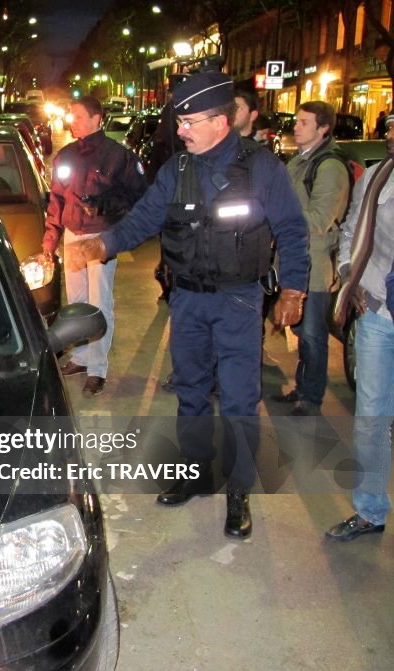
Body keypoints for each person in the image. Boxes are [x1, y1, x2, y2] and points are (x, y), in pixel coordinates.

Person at [67, 70, 309, 538]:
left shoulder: (261, 167)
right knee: (192, 392)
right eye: (180, 121)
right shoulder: (177, 170)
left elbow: (293, 232)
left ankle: (238, 492)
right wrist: (103, 245)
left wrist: (293, 290)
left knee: (239, 398)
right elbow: (144, 219)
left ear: (221, 121)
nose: (181, 130)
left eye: (190, 121)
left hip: (239, 301)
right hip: (188, 301)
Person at [45, 95, 147, 398]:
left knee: (99, 301)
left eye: (77, 116)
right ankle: (80, 358)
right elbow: (56, 201)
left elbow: (139, 198)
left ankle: (97, 369)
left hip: (102, 238)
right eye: (70, 116)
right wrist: (50, 242)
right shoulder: (65, 156)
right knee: (76, 301)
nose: (71, 122)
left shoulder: (119, 157)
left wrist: (104, 207)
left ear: (96, 118)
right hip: (73, 235)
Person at [326, 122, 394, 542]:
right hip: (379, 313)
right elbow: (352, 229)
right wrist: (350, 274)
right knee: (371, 417)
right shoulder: (378, 175)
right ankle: (370, 509)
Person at [273, 101, 351, 416]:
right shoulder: (298, 162)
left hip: (315, 265)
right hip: (292, 260)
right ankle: (302, 388)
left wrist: (277, 213)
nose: (296, 125)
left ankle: (311, 396)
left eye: (304, 122)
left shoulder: (329, 167)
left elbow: (320, 218)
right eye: (297, 120)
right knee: (302, 332)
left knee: (313, 335)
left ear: (323, 128)